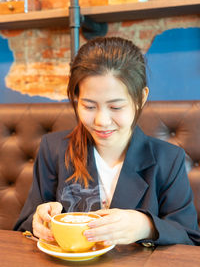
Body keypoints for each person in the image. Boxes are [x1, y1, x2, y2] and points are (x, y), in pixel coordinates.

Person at [14, 37, 200, 247]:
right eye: (89, 106)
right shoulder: (54, 149)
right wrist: (37, 222)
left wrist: (146, 225)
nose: (101, 121)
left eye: (115, 107)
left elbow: (189, 238)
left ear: (141, 98)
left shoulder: (168, 159)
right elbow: (25, 224)